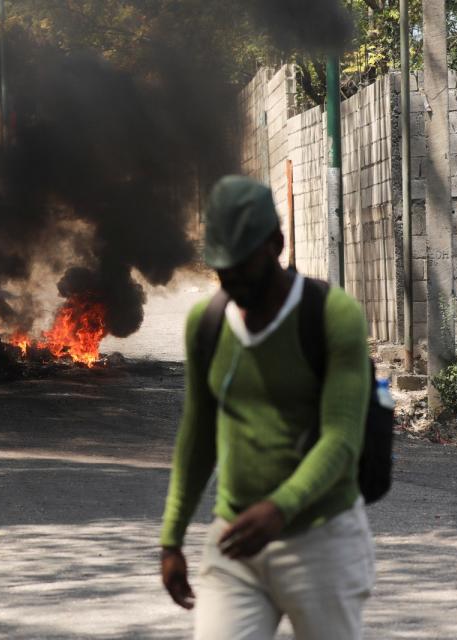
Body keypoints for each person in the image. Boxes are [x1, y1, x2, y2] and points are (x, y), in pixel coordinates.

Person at [160, 175, 375, 639]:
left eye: (243, 266)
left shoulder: (332, 315)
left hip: (322, 542)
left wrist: (281, 507)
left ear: (276, 244)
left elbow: (342, 439)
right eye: (221, 270)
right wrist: (171, 538)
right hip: (236, 543)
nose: (232, 281)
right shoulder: (208, 323)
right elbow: (197, 435)